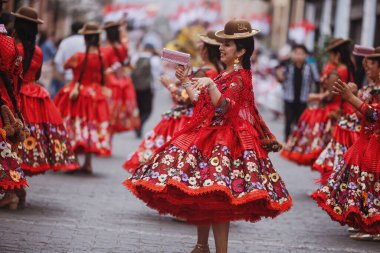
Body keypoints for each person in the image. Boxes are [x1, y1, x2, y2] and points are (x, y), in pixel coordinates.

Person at [124, 20, 291, 253]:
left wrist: (210, 85)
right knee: (204, 194)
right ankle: (201, 246)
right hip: (209, 137)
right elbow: (198, 102)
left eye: (227, 44)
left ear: (241, 51)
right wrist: (185, 82)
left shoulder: (241, 77)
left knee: (218, 199)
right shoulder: (225, 75)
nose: (221, 48)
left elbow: (225, 109)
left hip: (226, 144)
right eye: (221, 44)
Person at [123, 30, 222, 173]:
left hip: (185, 119)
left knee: (168, 162)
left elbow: (188, 99)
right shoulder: (218, 70)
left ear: (206, 51)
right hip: (202, 119)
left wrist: (169, 85)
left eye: (201, 46)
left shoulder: (204, 72)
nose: (198, 49)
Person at [312, 46, 380, 241]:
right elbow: (363, 115)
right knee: (364, 185)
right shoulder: (369, 88)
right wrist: (352, 98)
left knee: (372, 185)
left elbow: (375, 115)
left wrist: (351, 97)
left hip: (375, 144)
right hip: (365, 141)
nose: (367, 67)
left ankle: (374, 225)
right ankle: (367, 222)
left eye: (372, 64)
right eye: (367, 63)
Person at [13, 7, 79, 179]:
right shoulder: (39, 51)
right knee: (31, 137)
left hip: (16, 95)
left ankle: (14, 189)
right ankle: (18, 187)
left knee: (12, 140)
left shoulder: (14, 48)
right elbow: (37, 75)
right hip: (35, 95)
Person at [281, 38, 355, 166]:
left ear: (337, 55)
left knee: (326, 147)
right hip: (345, 109)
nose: (329, 58)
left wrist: (315, 96)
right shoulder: (348, 69)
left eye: (331, 55)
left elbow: (329, 96)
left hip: (333, 110)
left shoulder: (336, 72)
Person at [54, 22, 111, 174]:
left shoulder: (78, 57)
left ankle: (75, 161)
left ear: (85, 39)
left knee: (76, 126)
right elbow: (103, 75)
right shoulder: (102, 57)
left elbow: (65, 66)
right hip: (95, 95)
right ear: (98, 39)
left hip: (78, 93)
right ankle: (88, 163)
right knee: (91, 127)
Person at [0, 0, 28, 210]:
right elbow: (15, 76)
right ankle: (14, 190)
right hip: (8, 98)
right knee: (7, 148)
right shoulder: (10, 44)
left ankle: (12, 192)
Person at [102, 21, 140, 134]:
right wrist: (122, 28)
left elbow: (104, 67)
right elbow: (125, 41)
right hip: (123, 82)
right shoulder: (123, 47)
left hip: (110, 82)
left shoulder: (106, 50)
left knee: (108, 113)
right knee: (116, 112)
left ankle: (107, 141)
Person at [276, 44, 320, 139]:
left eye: (301, 53)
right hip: (289, 99)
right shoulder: (287, 65)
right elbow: (280, 79)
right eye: (297, 53)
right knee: (288, 121)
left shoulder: (310, 67)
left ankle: (297, 142)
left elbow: (317, 81)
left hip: (303, 100)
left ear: (306, 55)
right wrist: (280, 76)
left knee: (301, 122)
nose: (299, 56)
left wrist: (316, 96)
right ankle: (287, 141)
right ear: (293, 54)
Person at [131, 43, 162, 138]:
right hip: (148, 88)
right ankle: (140, 123)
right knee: (148, 110)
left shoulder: (136, 57)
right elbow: (156, 74)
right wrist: (155, 88)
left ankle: (138, 124)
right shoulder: (154, 60)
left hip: (135, 87)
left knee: (139, 108)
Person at [52, 21, 85, 96]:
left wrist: (63, 72)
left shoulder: (65, 42)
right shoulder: (86, 42)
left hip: (68, 79)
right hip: (83, 81)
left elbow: (58, 61)